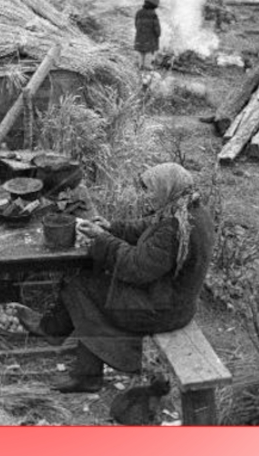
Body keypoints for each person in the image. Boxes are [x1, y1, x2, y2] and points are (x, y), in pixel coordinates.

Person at [14, 162, 215, 393]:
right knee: (89, 282)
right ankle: (58, 336)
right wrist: (112, 227)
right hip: (171, 299)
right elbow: (148, 227)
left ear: (167, 188)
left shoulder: (175, 227)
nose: (147, 195)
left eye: (152, 190)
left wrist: (102, 238)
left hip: (162, 310)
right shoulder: (187, 210)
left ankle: (79, 365)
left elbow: (136, 268)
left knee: (80, 288)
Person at [134, 0, 161, 71]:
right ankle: (147, 66)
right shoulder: (153, 15)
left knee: (140, 51)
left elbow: (136, 24)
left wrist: (140, 31)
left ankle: (140, 66)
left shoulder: (139, 12)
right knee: (148, 52)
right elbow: (157, 28)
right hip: (150, 39)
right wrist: (158, 34)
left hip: (139, 38)